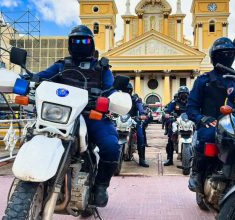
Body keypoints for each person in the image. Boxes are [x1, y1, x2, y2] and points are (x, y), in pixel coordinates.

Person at [36, 25, 119, 207]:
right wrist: (26, 79)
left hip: (91, 115)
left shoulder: (102, 68)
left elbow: (111, 89)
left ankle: (100, 186)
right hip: (61, 115)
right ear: (69, 44)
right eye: (76, 41)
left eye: (84, 40)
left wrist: (112, 97)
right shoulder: (61, 65)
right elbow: (41, 77)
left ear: (91, 43)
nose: (80, 44)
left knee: (112, 147)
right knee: (31, 136)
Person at [187, 37, 235, 193]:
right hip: (211, 124)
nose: (225, 57)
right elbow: (192, 107)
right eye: (221, 54)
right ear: (213, 57)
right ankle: (197, 172)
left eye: (229, 53)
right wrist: (202, 118)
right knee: (209, 136)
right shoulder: (204, 81)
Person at [163, 86, 190, 166]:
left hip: (189, 121)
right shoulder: (175, 102)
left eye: (185, 94)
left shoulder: (191, 102)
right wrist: (167, 113)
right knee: (171, 138)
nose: (184, 95)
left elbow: (196, 109)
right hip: (177, 121)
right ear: (179, 94)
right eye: (182, 94)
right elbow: (168, 110)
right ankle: (170, 159)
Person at [124, 83, 150, 167]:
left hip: (134, 120)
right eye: (125, 90)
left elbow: (140, 107)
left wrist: (142, 114)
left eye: (128, 90)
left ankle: (142, 159)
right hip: (121, 120)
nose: (126, 92)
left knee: (140, 136)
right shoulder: (120, 98)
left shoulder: (135, 99)